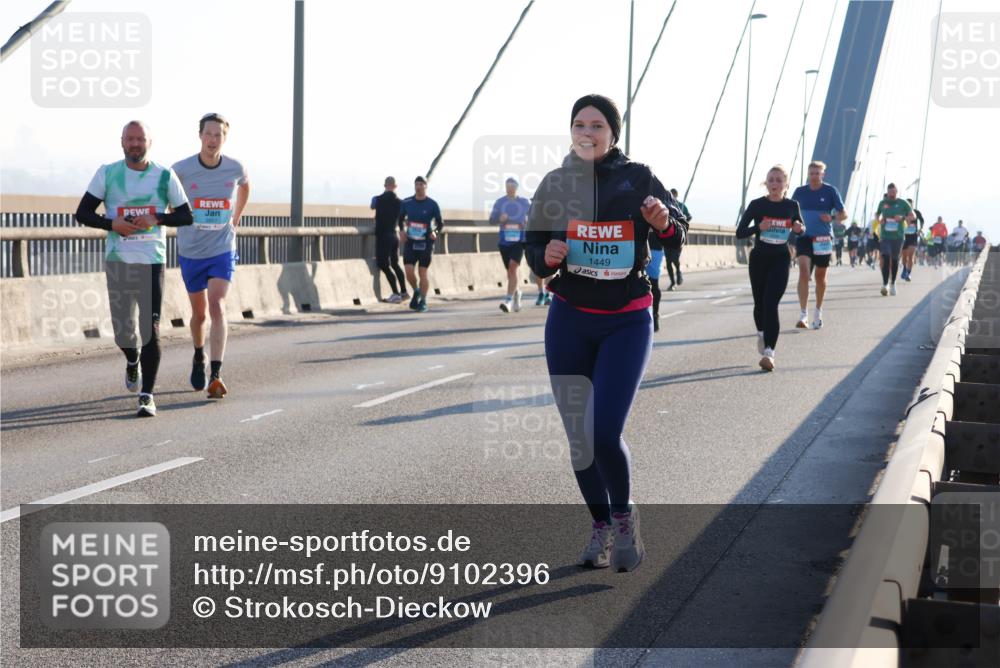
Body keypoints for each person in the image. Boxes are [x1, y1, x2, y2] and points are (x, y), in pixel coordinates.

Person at [524, 94, 686, 573]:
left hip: (626, 321)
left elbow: (678, 235)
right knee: (579, 436)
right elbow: (531, 244)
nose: (587, 132)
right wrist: (545, 255)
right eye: (579, 124)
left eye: (597, 125)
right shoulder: (556, 183)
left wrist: (663, 224)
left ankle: (623, 515)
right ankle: (599, 525)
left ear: (613, 133)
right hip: (570, 317)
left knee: (603, 430)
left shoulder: (638, 177)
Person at [75, 121, 192, 417]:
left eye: (140, 139)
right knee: (123, 331)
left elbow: (186, 216)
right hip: (118, 261)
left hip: (152, 261)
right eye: (130, 139)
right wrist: (111, 223)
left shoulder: (165, 176)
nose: (135, 144)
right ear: (122, 142)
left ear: (149, 143)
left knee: (149, 329)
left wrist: (158, 218)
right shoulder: (108, 173)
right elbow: (83, 212)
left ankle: (147, 395)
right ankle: (132, 359)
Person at [172, 113, 250, 399]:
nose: (213, 139)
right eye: (209, 134)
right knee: (199, 313)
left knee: (217, 305)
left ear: (224, 138)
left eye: (218, 135)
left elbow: (245, 185)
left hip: (222, 248)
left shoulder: (234, 167)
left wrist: (236, 216)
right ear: (200, 135)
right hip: (192, 250)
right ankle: (197, 354)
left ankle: (215, 374)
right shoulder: (181, 169)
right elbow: (167, 194)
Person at [736, 165, 804, 371]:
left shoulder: (792, 206)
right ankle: (761, 334)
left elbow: (800, 226)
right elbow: (740, 233)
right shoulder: (757, 205)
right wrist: (759, 227)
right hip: (759, 258)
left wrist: (800, 229)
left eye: (779, 180)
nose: (775, 184)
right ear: (766, 183)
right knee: (759, 303)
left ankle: (769, 353)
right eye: (771, 180)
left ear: (786, 184)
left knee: (771, 302)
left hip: (781, 258)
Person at [791, 161, 846, 329]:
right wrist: (794, 225)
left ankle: (818, 311)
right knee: (803, 272)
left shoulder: (830, 191)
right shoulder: (800, 192)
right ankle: (803, 314)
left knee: (820, 277)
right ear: (808, 174)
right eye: (812, 173)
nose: (814, 176)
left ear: (823, 174)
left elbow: (843, 214)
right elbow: (790, 212)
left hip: (823, 239)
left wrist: (832, 218)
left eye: (817, 173)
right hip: (804, 238)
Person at [397, 176, 443, 312]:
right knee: (408, 271)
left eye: (421, 184)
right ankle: (417, 290)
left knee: (423, 272)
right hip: (411, 242)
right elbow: (400, 219)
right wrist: (401, 231)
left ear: (425, 186)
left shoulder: (432, 204)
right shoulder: (407, 202)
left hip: (426, 243)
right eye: (416, 184)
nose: (418, 186)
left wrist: (435, 231)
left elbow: (440, 223)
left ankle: (423, 301)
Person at [489, 177, 535, 313]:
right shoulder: (500, 202)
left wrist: (528, 221)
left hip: (519, 241)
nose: (510, 187)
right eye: (507, 185)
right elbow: (491, 220)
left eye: (512, 185)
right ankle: (517, 293)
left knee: (513, 268)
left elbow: (535, 216)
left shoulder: (524, 202)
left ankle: (508, 300)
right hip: (504, 242)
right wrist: (499, 218)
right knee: (510, 272)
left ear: (516, 187)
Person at [371, 176, 407, 303]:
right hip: (394, 236)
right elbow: (403, 218)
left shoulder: (377, 199)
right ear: (396, 186)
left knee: (383, 264)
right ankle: (404, 292)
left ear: (385, 185)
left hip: (383, 236)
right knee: (395, 264)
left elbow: (372, 206)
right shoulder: (401, 203)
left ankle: (396, 294)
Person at [875, 183, 916, 296]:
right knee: (886, 257)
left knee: (894, 260)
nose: (892, 194)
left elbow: (913, 216)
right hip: (885, 236)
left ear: (897, 192)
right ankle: (885, 284)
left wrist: (902, 217)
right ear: (887, 192)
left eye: (894, 192)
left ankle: (893, 283)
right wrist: (879, 220)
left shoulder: (903, 203)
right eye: (890, 192)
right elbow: (877, 215)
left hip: (898, 237)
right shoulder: (882, 203)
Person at [665, 188, 690, 289]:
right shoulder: (665, 205)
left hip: (678, 236)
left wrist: (681, 221)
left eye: (673, 195)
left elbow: (689, 217)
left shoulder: (681, 206)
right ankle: (672, 282)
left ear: (676, 195)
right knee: (668, 261)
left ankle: (678, 272)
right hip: (666, 237)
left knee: (675, 258)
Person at [899, 198, 923, 282]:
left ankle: (909, 273)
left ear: (912, 204)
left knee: (911, 254)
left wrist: (921, 229)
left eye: (910, 204)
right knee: (904, 256)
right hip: (904, 236)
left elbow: (921, 221)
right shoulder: (902, 212)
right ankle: (905, 269)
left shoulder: (916, 212)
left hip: (913, 236)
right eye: (907, 204)